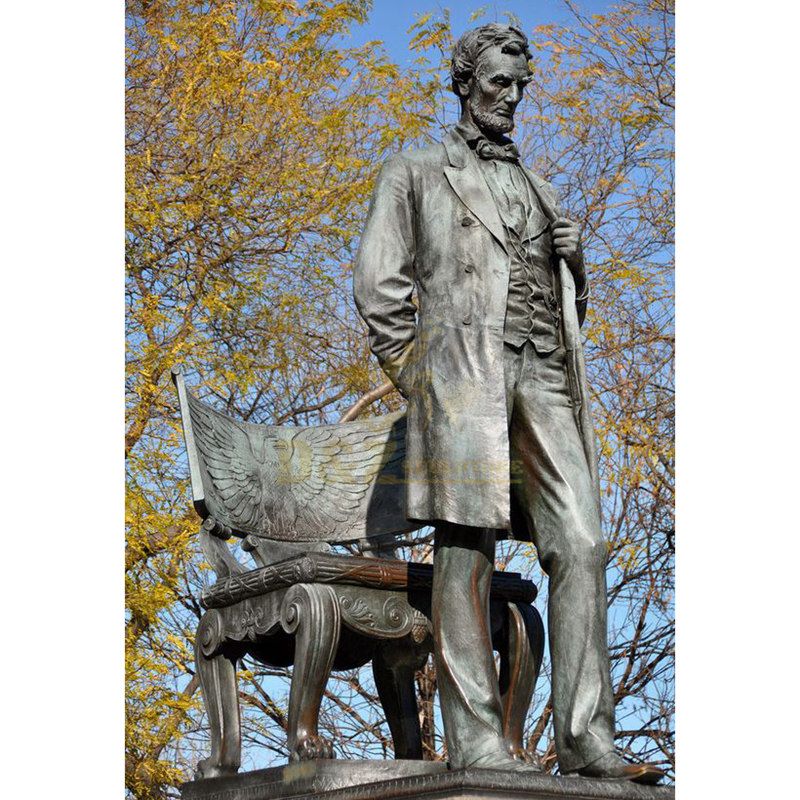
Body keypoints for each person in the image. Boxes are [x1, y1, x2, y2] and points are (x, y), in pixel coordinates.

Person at [353, 23, 663, 785]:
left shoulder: (541, 187)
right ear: (466, 81)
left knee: (582, 542)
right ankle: (479, 743)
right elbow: (379, 285)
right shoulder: (417, 168)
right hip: (463, 380)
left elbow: (562, 307)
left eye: (521, 86)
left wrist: (575, 263)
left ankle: (587, 737)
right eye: (499, 83)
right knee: (467, 553)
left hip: (545, 375)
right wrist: (420, 380)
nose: (512, 97)